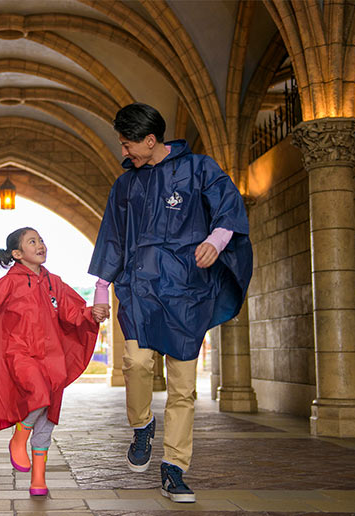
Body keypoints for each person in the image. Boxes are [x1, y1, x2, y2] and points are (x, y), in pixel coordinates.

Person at [89, 103, 252, 503]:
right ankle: (142, 423)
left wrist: (217, 240)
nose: (124, 153)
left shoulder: (199, 169)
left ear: (150, 140)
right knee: (136, 363)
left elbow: (230, 206)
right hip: (139, 288)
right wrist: (100, 287)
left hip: (186, 290)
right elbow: (112, 235)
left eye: (128, 145)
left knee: (183, 387)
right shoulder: (125, 186)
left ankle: (174, 468)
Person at [0, 227, 103, 496]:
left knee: (48, 417)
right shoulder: (10, 283)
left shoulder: (55, 282)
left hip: (53, 360)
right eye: (33, 241)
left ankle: (38, 478)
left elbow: (72, 312)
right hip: (20, 353)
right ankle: (19, 438)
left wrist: (91, 313)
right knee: (38, 394)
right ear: (17, 254)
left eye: (41, 240)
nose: (41, 244)